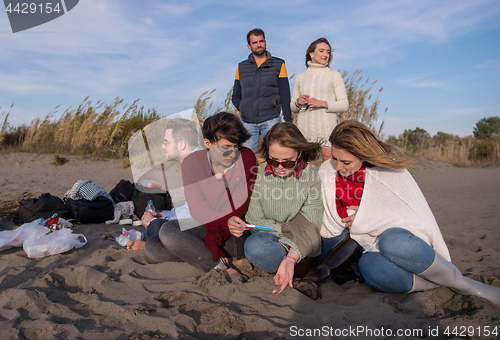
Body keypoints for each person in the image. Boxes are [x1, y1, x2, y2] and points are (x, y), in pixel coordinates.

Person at [297, 120, 500, 306]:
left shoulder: (387, 169)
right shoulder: (327, 170)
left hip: (393, 239)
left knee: (392, 241)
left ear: (363, 155)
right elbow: (321, 215)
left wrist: (365, 214)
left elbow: (410, 213)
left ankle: (464, 285)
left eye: (346, 162)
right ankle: (434, 284)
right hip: (357, 247)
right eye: (335, 158)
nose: (338, 167)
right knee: (373, 270)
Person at [145, 112, 257, 282]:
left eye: (236, 146)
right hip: (210, 228)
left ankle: (222, 268)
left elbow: (239, 205)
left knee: (168, 231)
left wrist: (224, 224)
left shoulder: (246, 157)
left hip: (233, 233)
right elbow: (198, 210)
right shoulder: (192, 163)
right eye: (226, 147)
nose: (233, 153)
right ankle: (225, 260)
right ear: (208, 143)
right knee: (154, 246)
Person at [228, 122, 323, 294]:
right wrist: (288, 230)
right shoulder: (259, 174)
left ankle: (292, 263)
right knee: (255, 247)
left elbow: (312, 222)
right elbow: (254, 220)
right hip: (276, 240)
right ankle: (300, 265)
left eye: (287, 162)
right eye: (273, 160)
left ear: (299, 153)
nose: (279, 167)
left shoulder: (312, 174)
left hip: (302, 239)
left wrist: (290, 248)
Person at [127, 118, 201, 251]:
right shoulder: (192, 162)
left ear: (181, 144)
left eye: (166, 142)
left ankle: (152, 244)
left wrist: (154, 222)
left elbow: (197, 215)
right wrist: (161, 214)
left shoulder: (198, 165)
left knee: (156, 229)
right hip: (199, 221)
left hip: (210, 228)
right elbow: (188, 208)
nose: (163, 146)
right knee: (157, 226)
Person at [232, 28, 292, 152]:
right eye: (255, 42)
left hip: (271, 120)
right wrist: (244, 108)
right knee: (246, 159)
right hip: (247, 122)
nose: (259, 45)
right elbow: (235, 96)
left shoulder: (279, 64)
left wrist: (288, 120)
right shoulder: (241, 67)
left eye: (261, 41)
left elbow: (285, 95)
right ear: (249, 46)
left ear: (265, 42)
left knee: (275, 155)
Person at [291, 37, 348, 164]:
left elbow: (344, 105)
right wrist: (297, 102)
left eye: (328, 52)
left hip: (327, 131)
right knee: (310, 171)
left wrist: (322, 103)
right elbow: (293, 108)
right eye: (321, 51)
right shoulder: (300, 77)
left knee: (329, 169)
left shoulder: (334, 75)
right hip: (305, 130)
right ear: (311, 54)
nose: (325, 55)